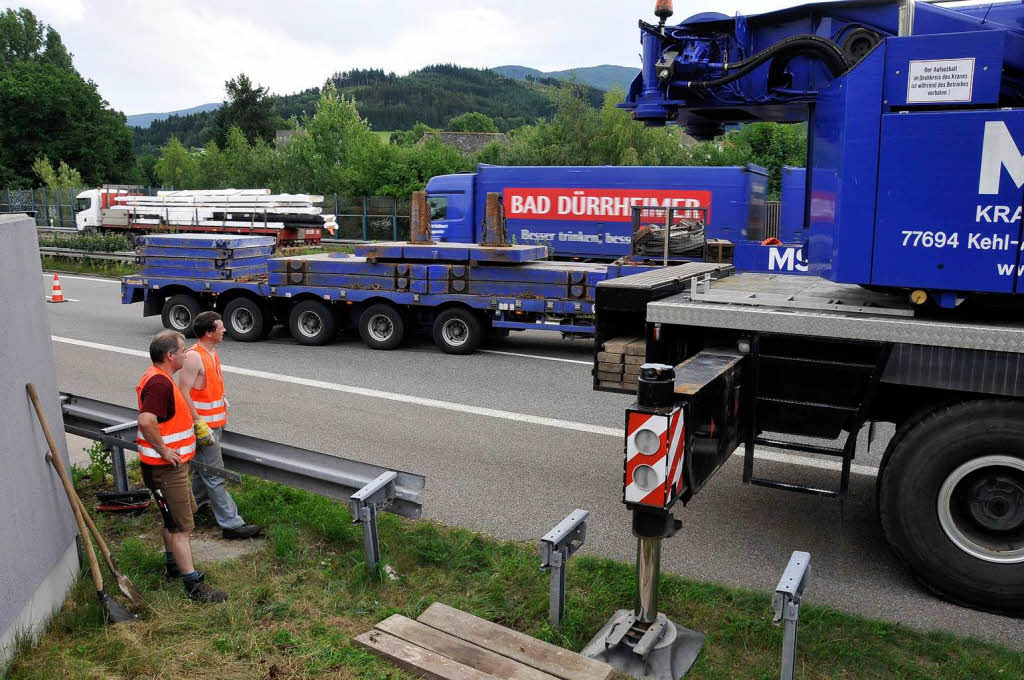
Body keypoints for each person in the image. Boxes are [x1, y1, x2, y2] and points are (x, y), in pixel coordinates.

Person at [137, 330, 227, 602]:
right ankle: (193, 586)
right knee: (182, 528)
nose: (187, 353)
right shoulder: (161, 384)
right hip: (165, 469)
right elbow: (146, 420)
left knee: (173, 519)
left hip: (168, 467)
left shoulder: (157, 377)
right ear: (170, 356)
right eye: (182, 349)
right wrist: (164, 450)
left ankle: (173, 567)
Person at [177, 311, 262, 539]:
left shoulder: (210, 353)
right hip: (204, 428)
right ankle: (231, 524)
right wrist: (198, 422)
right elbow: (182, 391)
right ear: (209, 332)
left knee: (202, 469)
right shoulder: (194, 357)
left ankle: (197, 507)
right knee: (215, 473)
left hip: (214, 424)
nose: (224, 330)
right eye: (220, 327)